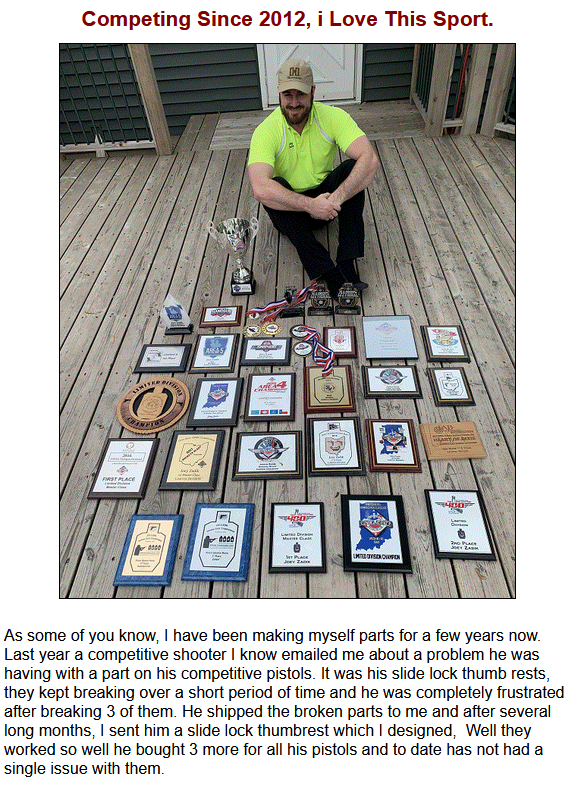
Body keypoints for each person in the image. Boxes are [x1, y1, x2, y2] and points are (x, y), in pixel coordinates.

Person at [247, 58, 380, 298]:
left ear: (313, 92)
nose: (294, 103)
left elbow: (370, 159)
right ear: (278, 94)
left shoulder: (332, 116)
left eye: (301, 94)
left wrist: (332, 200)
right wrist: (310, 205)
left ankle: (347, 262)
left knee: (353, 168)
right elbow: (260, 188)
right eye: (288, 95)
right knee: (273, 187)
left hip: (327, 201)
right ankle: (327, 270)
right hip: (290, 212)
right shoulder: (266, 130)